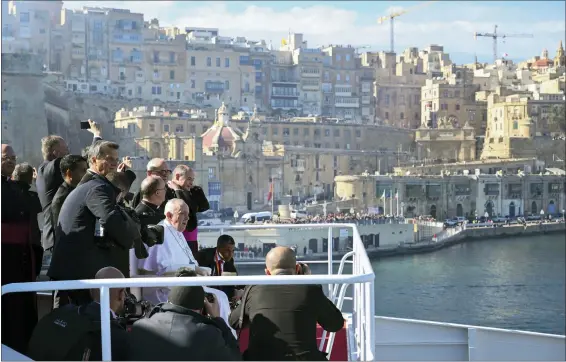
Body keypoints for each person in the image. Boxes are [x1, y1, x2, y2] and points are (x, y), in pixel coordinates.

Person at [48, 139, 139, 307]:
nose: (114, 163)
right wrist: (132, 237)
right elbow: (112, 220)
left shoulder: (92, 185)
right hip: (80, 271)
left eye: (116, 159)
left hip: (76, 268)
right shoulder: (97, 187)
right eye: (109, 158)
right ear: (94, 160)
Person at [229, 246, 344, 361]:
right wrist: (308, 280)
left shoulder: (253, 289)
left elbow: (234, 322)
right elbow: (335, 324)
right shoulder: (311, 289)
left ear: (267, 272)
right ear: (298, 268)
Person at [136, 199, 232, 326]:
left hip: (185, 285)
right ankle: (223, 335)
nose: (187, 218)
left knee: (220, 296)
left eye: (188, 214)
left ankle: (222, 334)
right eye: (183, 213)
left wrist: (199, 269)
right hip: (166, 292)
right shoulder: (160, 233)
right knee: (218, 298)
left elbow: (188, 261)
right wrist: (195, 270)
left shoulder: (177, 232)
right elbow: (163, 271)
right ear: (169, 215)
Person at [27, 267, 130, 361]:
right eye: (125, 293)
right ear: (120, 294)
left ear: (91, 291)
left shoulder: (61, 312)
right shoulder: (117, 335)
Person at [128, 280, 241, 361]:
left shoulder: (139, 327)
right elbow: (236, 358)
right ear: (202, 309)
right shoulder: (207, 334)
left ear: (169, 301)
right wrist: (218, 320)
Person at [1, 145, 44, 354]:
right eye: (5, 157)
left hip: (22, 261)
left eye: (13, 158)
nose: (10, 160)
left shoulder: (15, 188)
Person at [167, 165, 210, 255]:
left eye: (192, 180)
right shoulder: (166, 190)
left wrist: (179, 190)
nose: (191, 183)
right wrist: (178, 191)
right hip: (173, 237)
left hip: (190, 237)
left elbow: (203, 206)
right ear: (178, 176)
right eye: (189, 179)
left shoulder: (194, 191)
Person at [197, 234, 244, 300]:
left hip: (219, 294)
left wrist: (238, 290)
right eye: (227, 251)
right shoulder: (203, 256)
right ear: (218, 248)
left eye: (233, 251)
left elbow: (234, 281)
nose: (231, 254)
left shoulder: (229, 261)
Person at [51, 155, 88, 232]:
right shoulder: (61, 199)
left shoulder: (78, 191)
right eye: (83, 170)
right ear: (69, 174)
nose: (87, 174)